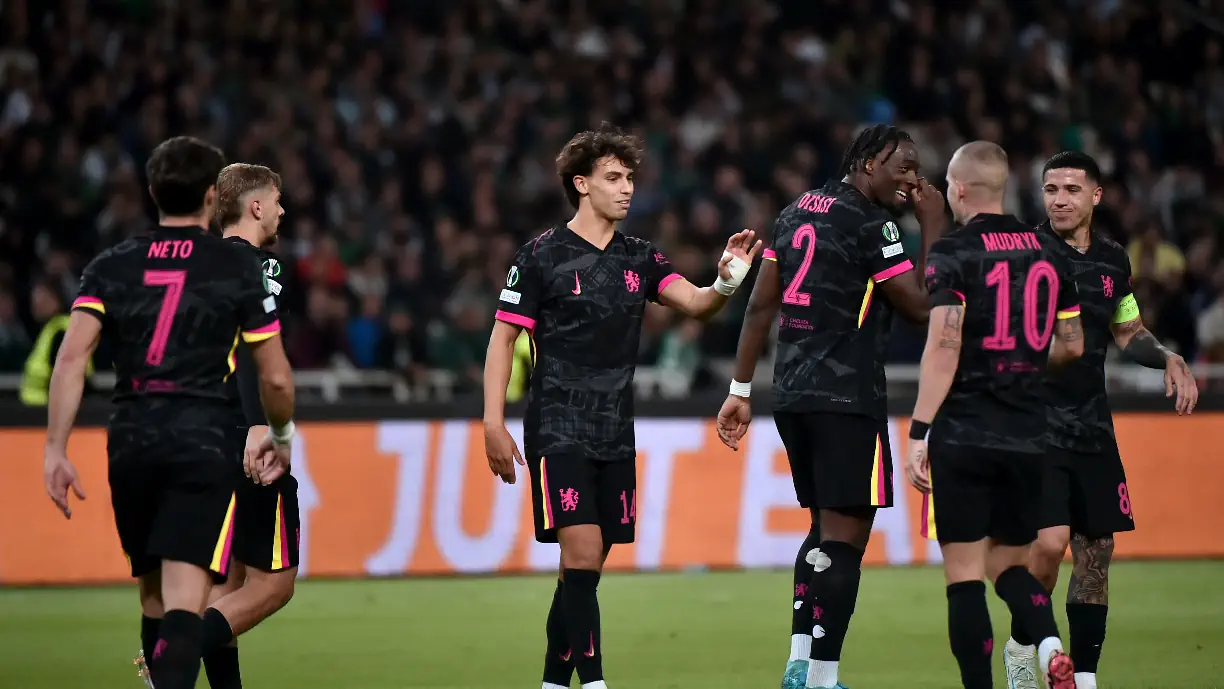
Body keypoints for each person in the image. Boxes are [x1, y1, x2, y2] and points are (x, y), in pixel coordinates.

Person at [482, 122, 761, 689]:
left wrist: (726, 282)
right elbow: (502, 339)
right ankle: (596, 683)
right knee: (581, 553)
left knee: (582, 569)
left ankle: (554, 682)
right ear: (581, 184)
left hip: (615, 427)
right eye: (613, 178)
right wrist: (492, 422)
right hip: (558, 423)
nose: (626, 188)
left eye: (630, 177)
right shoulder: (542, 255)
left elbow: (696, 303)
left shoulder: (641, 256)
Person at [41, 136, 296, 689]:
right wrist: (276, 429)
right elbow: (271, 370)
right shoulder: (235, 266)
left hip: (130, 440)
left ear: (152, 192)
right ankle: (162, 671)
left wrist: (55, 448)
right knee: (191, 605)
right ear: (211, 196)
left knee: (157, 599)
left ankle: (166, 662)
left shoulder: (112, 263)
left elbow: (71, 358)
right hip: (203, 439)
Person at [716, 124, 948, 689]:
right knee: (847, 538)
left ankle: (799, 664)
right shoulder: (874, 225)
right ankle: (823, 677)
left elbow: (759, 306)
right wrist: (935, 224)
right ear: (868, 163)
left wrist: (740, 390)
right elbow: (921, 306)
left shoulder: (795, 212)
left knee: (822, 528)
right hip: (847, 398)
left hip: (791, 395)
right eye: (902, 165)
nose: (912, 177)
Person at [1001, 151, 1199, 689]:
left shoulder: (1113, 260)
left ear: (1095, 196)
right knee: (1047, 544)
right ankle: (1024, 643)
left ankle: (1083, 677)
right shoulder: (1024, 253)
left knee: (1096, 554)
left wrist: (1169, 357)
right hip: (1036, 423)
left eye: (1070, 189)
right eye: (1050, 189)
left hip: (1093, 425)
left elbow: (1129, 331)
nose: (1059, 199)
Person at [904, 141, 1084, 689]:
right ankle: (1051, 645)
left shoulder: (953, 252)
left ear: (958, 190)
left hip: (964, 432)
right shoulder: (1050, 252)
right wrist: (1024, 360)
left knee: (964, 577)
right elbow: (1072, 344)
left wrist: (919, 430)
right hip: (1029, 432)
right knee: (1009, 567)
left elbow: (943, 345)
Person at [158, 162, 293, 689]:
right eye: (277, 199)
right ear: (255, 205)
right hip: (241, 436)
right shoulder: (261, 268)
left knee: (228, 582)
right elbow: (254, 346)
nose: (282, 209)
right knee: (274, 584)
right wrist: (260, 426)